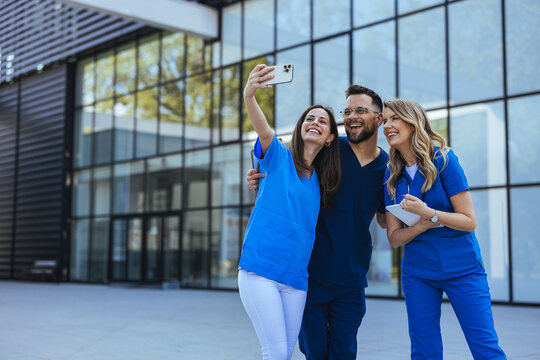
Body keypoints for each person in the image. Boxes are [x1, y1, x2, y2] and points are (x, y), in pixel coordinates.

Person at [248, 85, 388, 359]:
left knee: (344, 352)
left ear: (379, 118)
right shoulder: (330, 149)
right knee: (315, 351)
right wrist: (257, 175)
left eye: (361, 110)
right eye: (347, 111)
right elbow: (286, 161)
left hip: (352, 278)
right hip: (310, 275)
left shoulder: (387, 168)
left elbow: (384, 220)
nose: (352, 116)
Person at [382, 98, 506, 360]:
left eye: (394, 118)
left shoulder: (444, 160)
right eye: (384, 120)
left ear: (412, 122)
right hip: (418, 273)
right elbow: (394, 238)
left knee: (485, 348)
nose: (387, 125)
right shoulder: (391, 175)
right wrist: (421, 225)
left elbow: (469, 220)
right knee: (424, 351)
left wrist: (430, 214)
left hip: (463, 269)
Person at [238, 64, 341, 360]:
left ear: (330, 137)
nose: (315, 122)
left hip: (296, 279)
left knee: (286, 352)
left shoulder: (321, 180)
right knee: (275, 353)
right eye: (309, 118)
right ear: (300, 126)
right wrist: (250, 96)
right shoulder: (279, 157)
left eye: (323, 121)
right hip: (260, 271)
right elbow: (264, 130)